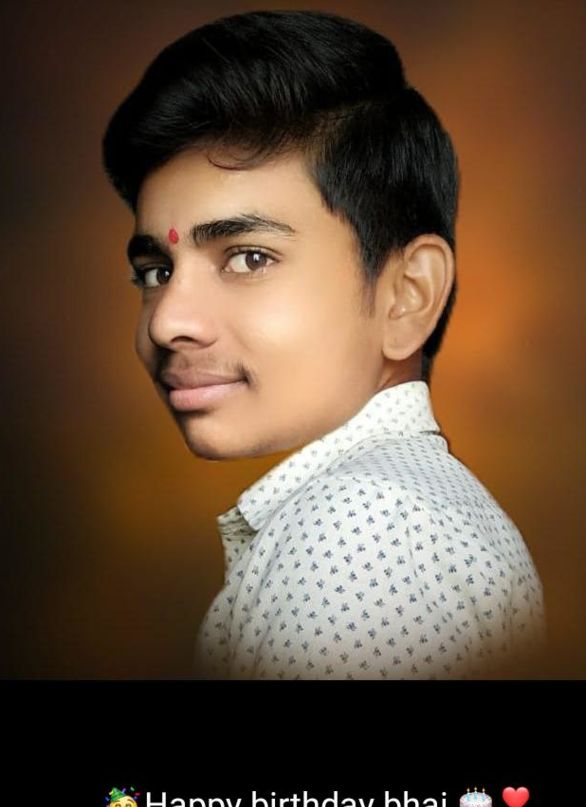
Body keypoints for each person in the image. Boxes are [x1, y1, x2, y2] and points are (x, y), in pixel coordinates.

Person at [102, 9, 546, 680]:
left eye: (248, 257)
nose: (167, 322)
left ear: (408, 294)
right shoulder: (407, 509)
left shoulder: (364, 526)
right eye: (156, 272)